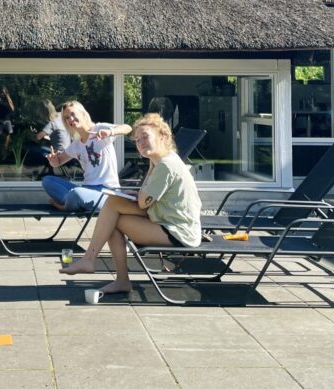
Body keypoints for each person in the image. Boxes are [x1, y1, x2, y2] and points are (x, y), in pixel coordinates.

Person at [59, 113, 203, 294]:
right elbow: (146, 197)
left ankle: (105, 269)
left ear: (163, 137)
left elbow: (143, 203)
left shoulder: (165, 165)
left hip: (178, 231)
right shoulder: (159, 160)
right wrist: (137, 194)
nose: (140, 143)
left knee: (112, 219)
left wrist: (139, 195)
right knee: (112, 205)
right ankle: (100, 267)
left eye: (145, 137)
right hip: (165, 217)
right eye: (137, 140)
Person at [43, 101, 132, 212]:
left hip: (107, 192)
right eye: (66, 117)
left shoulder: (99, 129)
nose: (70, 119)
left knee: (76, 193)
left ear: (83, 114)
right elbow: (59, 161)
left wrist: (110, 132)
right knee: (47, 181)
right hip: (87, 190)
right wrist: (53, 161)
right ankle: (73, 202)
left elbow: (127, 128)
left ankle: (66, 205)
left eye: (73, 114)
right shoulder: (76, 145)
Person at [24, 99, 70, 168]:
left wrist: (28, 136)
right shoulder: (60, 116)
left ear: (43, 112)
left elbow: (37, 138)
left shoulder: (52, 124)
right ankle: (49, 170)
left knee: (29, 146)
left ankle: (31, 166)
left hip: (58, 153)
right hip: (67, 151)